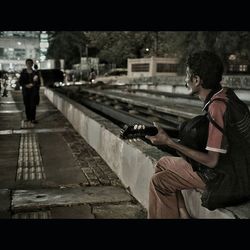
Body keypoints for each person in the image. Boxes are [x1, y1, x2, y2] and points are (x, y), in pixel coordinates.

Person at [145, 50, 240, 218]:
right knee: (162, 163)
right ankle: (183, 214)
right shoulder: (226, 95)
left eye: (187, 75)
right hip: (237, 170)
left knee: (159, 182)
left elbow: (211, 161)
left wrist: (169, 142)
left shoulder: (217, 107)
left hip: (227, 180)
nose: (185, 80)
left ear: (196, 80)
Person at [19, 59, 40, 124]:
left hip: (33, 92)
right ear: (26, 64)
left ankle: (33, 119)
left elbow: (39, 83)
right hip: (25, 91)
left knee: (33, 105)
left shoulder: (35, 73)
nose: (29, 64)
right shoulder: (23, 73)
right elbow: (20, 82)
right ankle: (28, 118)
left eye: (30, 63)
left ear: (32, 64)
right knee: (27, 105)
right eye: (28, 63)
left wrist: (34, 84)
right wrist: (26, 85)